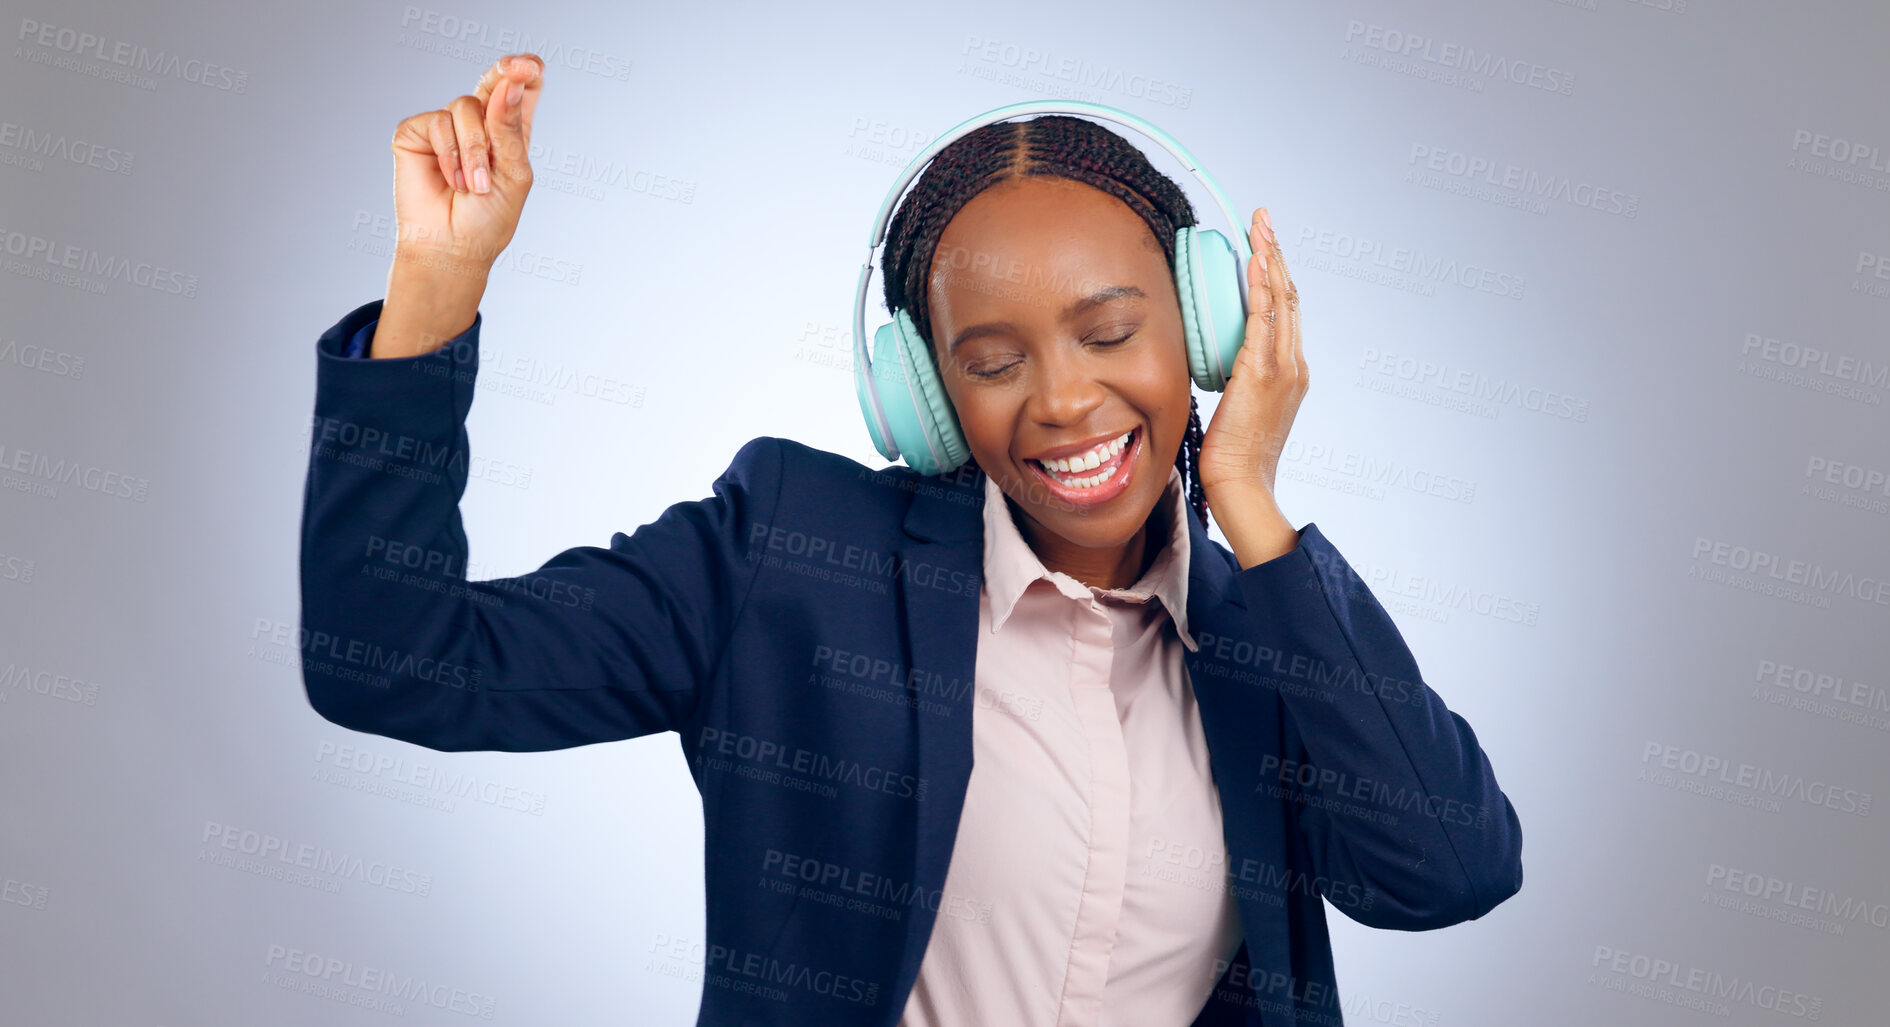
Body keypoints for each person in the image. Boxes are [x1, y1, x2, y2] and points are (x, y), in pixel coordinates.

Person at [300, 53, 1522, 1027]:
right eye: (991, 363)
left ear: (1206, 327)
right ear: (921, 400)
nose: (1060, 401)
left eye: (1110, 332)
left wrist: (1248, 491)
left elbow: (1448, 869)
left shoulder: (1270, 631)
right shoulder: (788, 556)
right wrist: (435, 290)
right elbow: (390, 655)